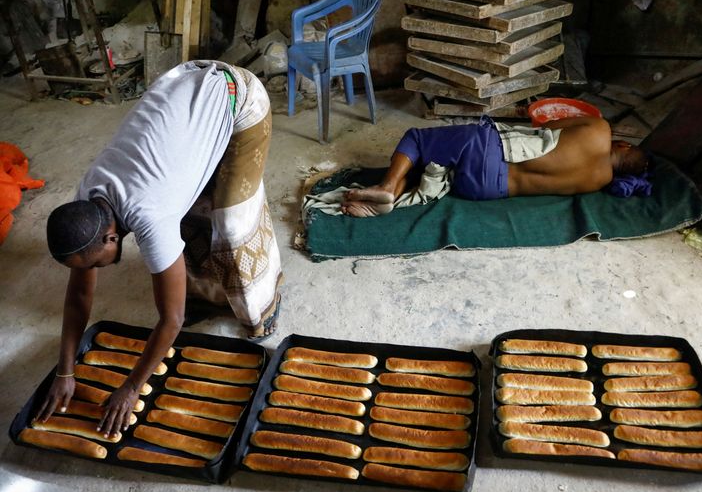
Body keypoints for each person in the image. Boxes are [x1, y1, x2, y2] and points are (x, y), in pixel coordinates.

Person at [37, 60, 283, 438]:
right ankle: (206, 293)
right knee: (188, 217)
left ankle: (262, 309)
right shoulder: (85, 203)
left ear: (111, 238)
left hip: (239, 98)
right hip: (187, 100)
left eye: (92, 265)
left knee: (230, 224)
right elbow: (77, 297)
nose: (91, 271)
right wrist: (65, 370)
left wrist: (132, 387)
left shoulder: (149, 215)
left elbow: (171, 321)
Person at [340, 115, 648, 216]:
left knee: (417, 139)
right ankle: (391, 195)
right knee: (424, 168)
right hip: (487, 189)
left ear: (624, 146)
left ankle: (386, 187)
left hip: (491, 150)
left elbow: (549, 125)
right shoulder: (596, 182)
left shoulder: (600, 129)